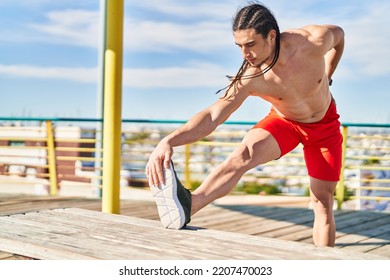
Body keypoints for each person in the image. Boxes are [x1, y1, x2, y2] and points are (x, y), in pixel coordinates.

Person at [145, 2, 344, 247]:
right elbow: (213, 115)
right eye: (239, 46)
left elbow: (340, 36)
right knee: (243, 153)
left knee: (322, 201)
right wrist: (169, 141)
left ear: (272, 36)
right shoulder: (251, 77)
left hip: (324, 127)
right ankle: (190, 204)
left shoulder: (313, 40)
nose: (244, 54)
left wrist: (329, 73)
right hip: (285, 122)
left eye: (250, 45)